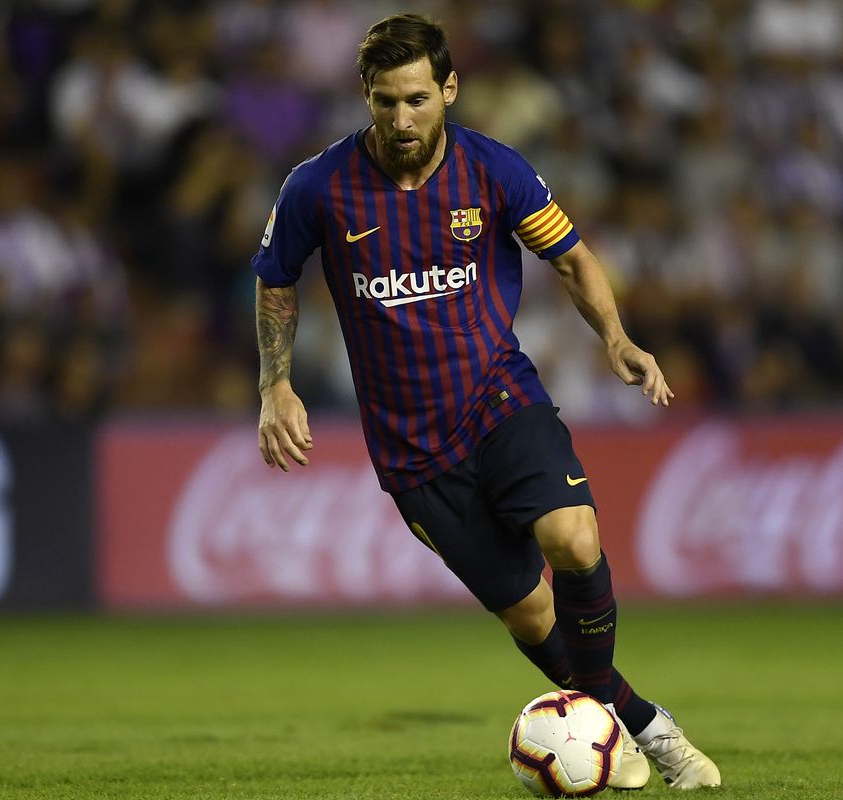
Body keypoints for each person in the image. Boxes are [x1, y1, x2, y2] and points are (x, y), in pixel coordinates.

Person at [252, 13, 720, 790]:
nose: (402, 118)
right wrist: (276, 384)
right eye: (385, 102)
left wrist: (616, 337)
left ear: (449, 89)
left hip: (500, 398)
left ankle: (609, 733)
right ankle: (638, 722)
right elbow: (275, 280)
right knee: (531, 616)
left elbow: (572, 259)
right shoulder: (317, 186)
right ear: (366, 97)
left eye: (416, 99)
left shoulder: (494, 170)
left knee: (574, 538)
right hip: (412, 449)